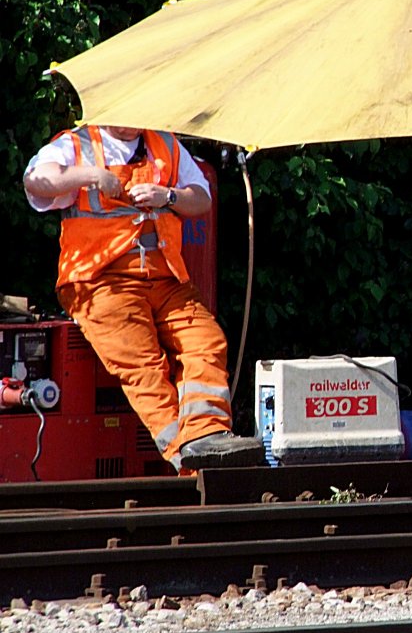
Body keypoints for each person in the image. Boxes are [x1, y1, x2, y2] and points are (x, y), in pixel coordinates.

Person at [23, 124, 265, 472]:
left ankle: (207, 437)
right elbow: (37, 180)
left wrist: (167, 196)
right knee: (145, 368)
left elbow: (201, 199)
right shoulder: (76, 144)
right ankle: (188, 461)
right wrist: (93, 176)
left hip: (165, 277)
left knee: (206, 342)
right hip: (100, 281)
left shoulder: (165, 144)